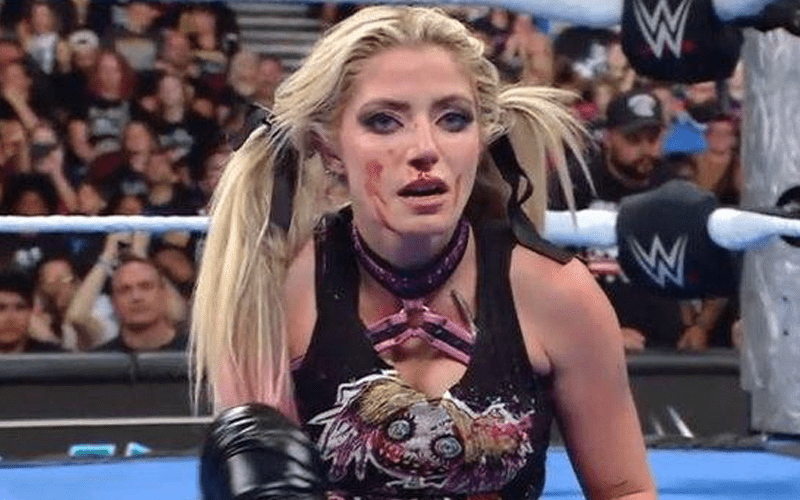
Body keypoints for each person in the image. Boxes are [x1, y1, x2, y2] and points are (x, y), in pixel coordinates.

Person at [192, 6, 655, 500]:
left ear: (481, 138)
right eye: (384, 121)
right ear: (330, 149)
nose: (425, 148)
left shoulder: (558, 295)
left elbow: (627, 492)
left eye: (453, 119)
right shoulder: (275, 294)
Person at [549, 89, 684, 351]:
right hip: (588, 340)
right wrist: (601, 332)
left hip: (664, 341)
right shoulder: (574, 184)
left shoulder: (673, 187)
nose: (646, 150)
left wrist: (700, 326)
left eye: (653, 138)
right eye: (633, 139)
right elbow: (547, 272)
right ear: (609, 138)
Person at [95, 254, 187, 352]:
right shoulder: (96, 359)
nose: (136, 297)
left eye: (146, 286)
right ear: (113, 303)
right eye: (124, 290)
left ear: (164, 294)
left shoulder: (196, 353)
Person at [0, 268, 63, 353]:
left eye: (20, 308)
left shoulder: (52, 355)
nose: (10, 318)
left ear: (31, 311)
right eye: (1, 308)